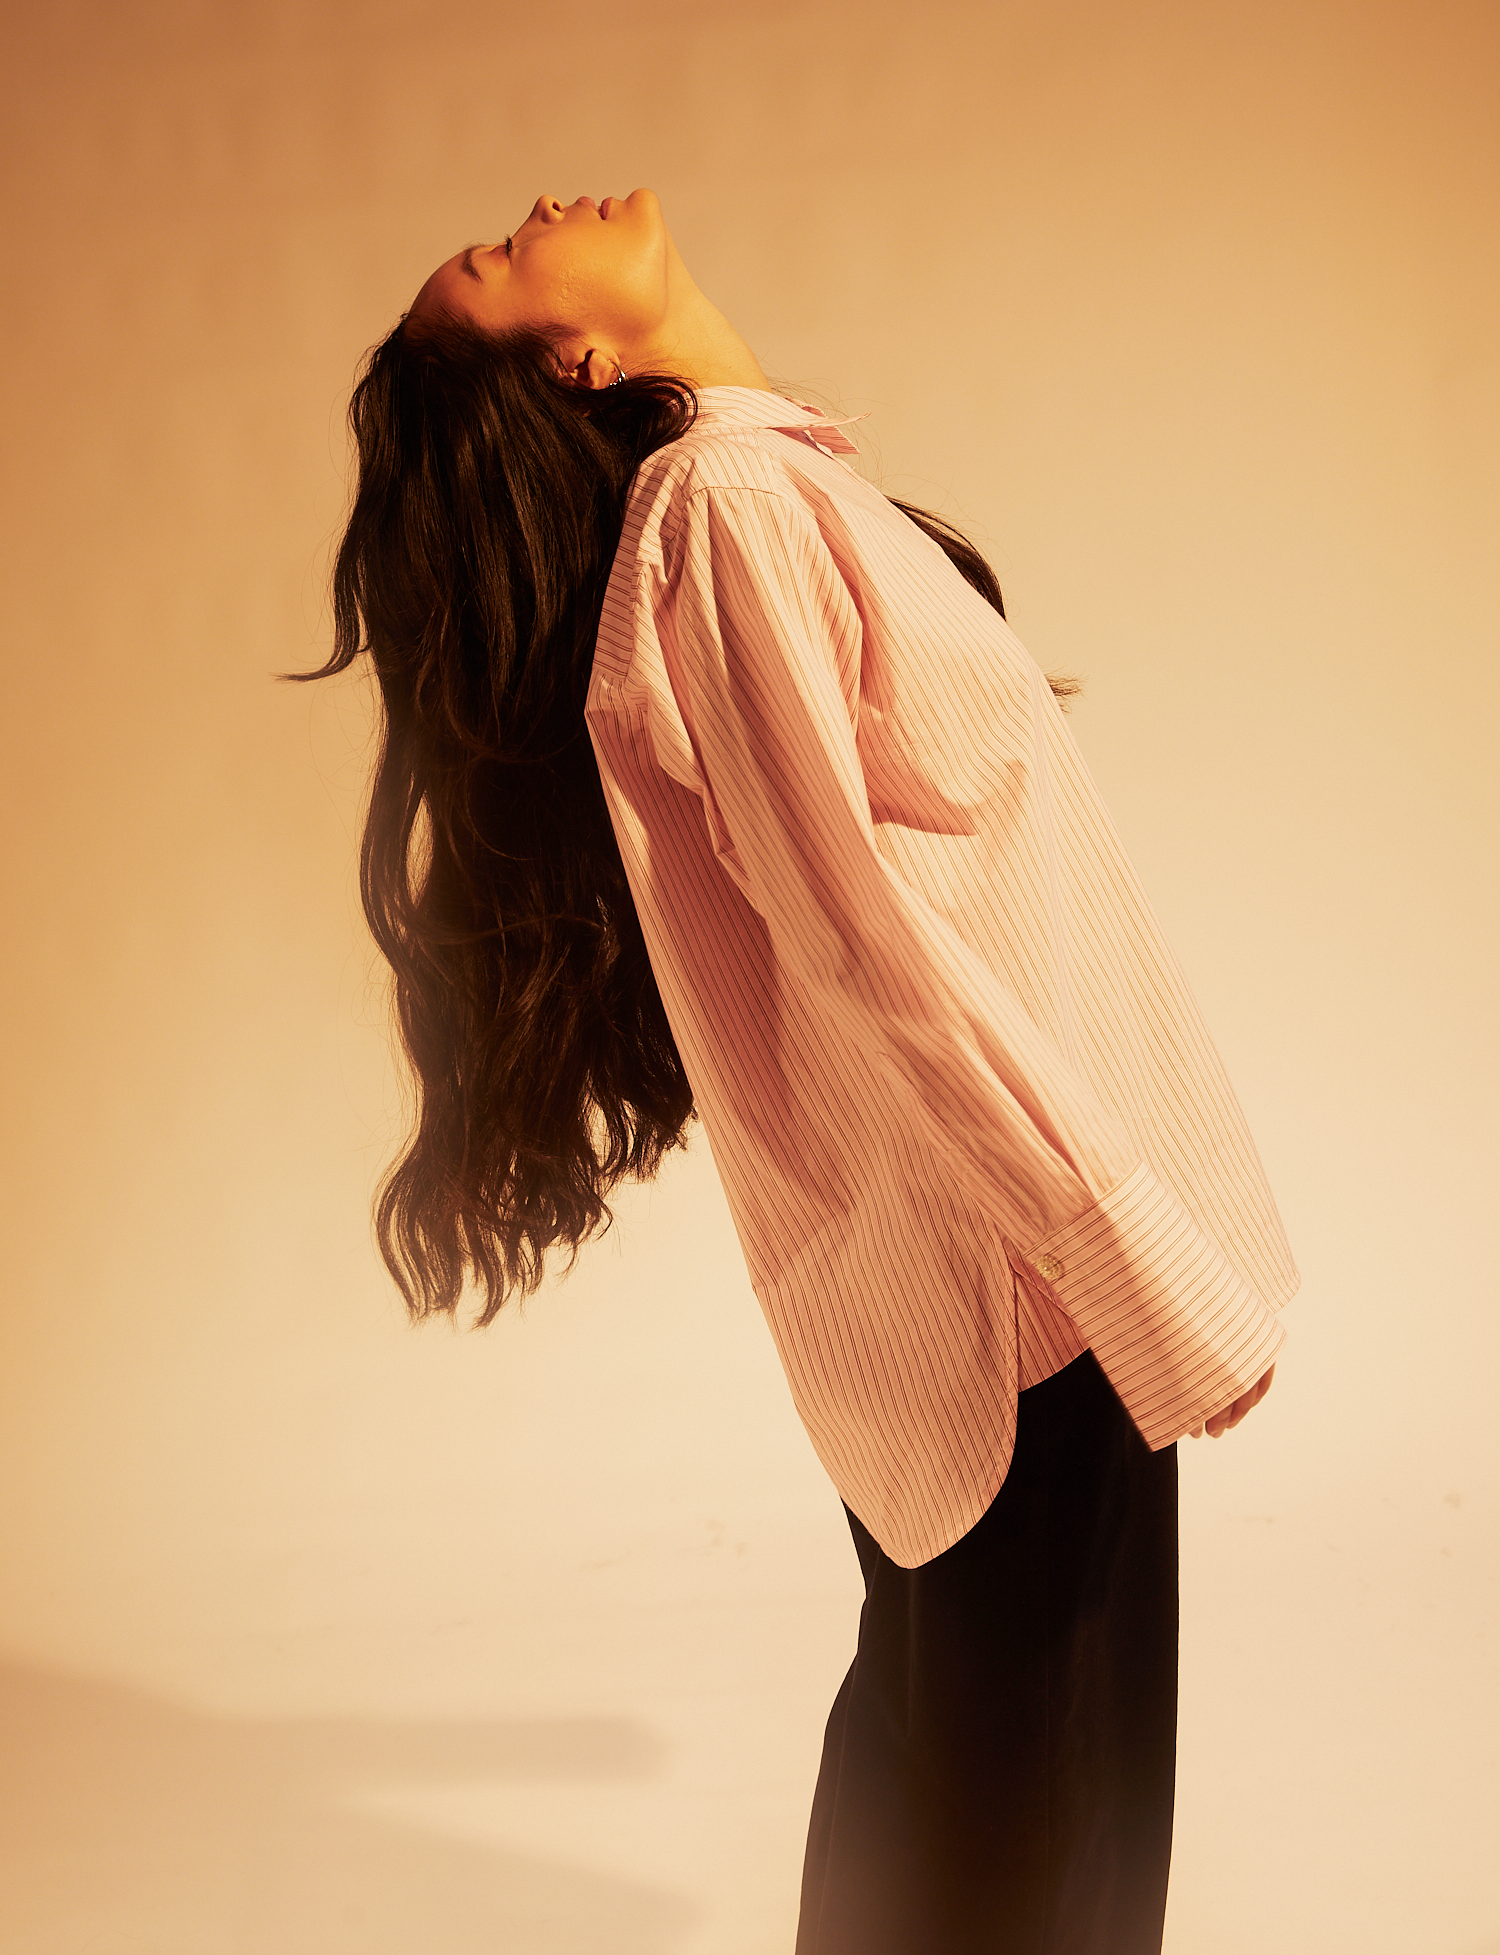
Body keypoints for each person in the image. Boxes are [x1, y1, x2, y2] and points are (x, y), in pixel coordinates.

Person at [294, 188, 1297, 1953]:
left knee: (951, 1791)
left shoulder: (749, 496)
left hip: (975, 1269)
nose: (534, 210)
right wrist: (1129, 1252)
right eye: (500, 260)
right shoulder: (730, 514)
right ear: (576, 360)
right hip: (1022, 1278)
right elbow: (871, 949)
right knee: (1040, 1846)